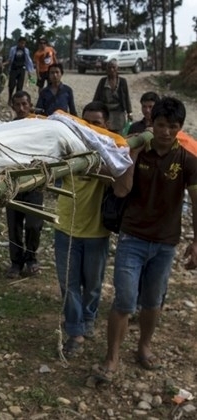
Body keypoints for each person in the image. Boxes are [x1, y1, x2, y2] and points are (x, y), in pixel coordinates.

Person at [93, 97, 197, 383]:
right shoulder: (137, 150)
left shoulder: (187, 160)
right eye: (161, 125)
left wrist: (196, 242)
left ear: (180, 127)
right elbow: (122, 191)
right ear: (152, 124)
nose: (165, 132)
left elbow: (196, 201)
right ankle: (111, 357)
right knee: (124, 300)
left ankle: (144, 347)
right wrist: (132, 155)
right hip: (133, 238)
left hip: (165, 243)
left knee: (153, 301)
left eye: (172, 127)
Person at [54, 101, 128, 357]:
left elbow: (121, 179)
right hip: (65, 228)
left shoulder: (111, 152)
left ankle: (88, 318)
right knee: (68, 284)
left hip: (97, 232)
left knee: (93, 284)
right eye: (86, 122)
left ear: (106, 125)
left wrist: (95, 165)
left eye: (96, 123)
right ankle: (75, 331)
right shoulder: (68, 147)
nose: (90, 127)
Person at [5, 91, 44, 279]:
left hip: (35, 182)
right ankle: (16, 262)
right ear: (12, 106)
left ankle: (31, 258)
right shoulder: (7, 128)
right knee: (14, 226)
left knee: (34, 225)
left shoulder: (39, 126)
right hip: (13, 183)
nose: (21, 108)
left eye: (24, 104)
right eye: (17, 105)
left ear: (30, 105)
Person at [92, 60, 133, 133]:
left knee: (119, 132)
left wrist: (129, 112)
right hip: (106, 111)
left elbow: (126, 97)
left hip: (119, 112)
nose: (111, 70)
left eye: (113, 67)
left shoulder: (122, 81)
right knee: (105, 131)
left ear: (117, 69)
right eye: (109, 67)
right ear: (106, 69)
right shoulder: (103, 81)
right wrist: (93, 109)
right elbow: (97, 96)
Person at [3, 37, 35, 105]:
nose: (22, 44)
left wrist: (29, 71)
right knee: (11, 85)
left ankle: (17, 101)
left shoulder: (26, 50)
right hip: (14, 68)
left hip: (22, 69)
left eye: (24, 43)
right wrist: (4, 64)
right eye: (21, 43)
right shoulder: (13, 49)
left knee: (19, 87)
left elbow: (27, 61)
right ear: (18, 42)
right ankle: (10, 98)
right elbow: (10, 59)